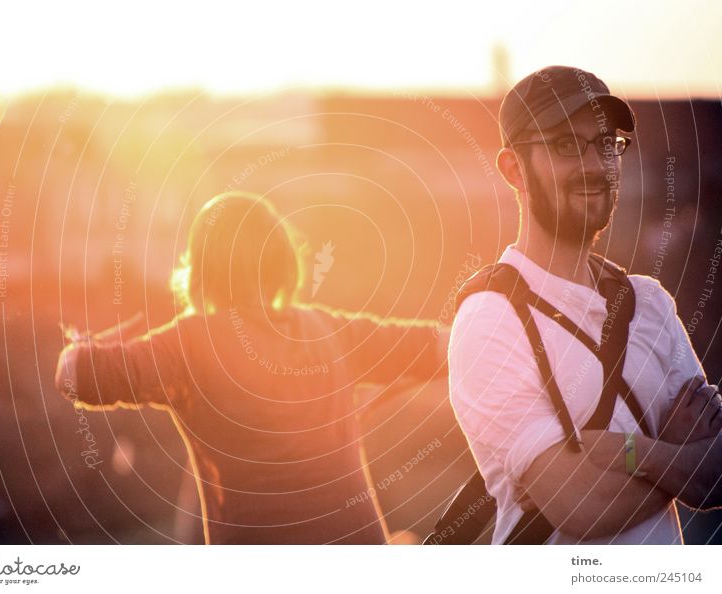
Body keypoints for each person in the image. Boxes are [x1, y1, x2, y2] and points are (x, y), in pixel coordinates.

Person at [55, 191, 448, 544]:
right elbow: (443, 344)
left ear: (199, 269)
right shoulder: (330, 329)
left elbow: (72, 377)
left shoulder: (187, 344)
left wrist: (86, 345)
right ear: (282, 260)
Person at [448, 66, 722, 544]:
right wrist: (679, 453)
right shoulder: (491, 319)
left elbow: (717, 473)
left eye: (605, 143)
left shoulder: (651, 305)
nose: (595, 165)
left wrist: (637, 453)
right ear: (514, 169)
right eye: (565, 145)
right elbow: (584, 507)